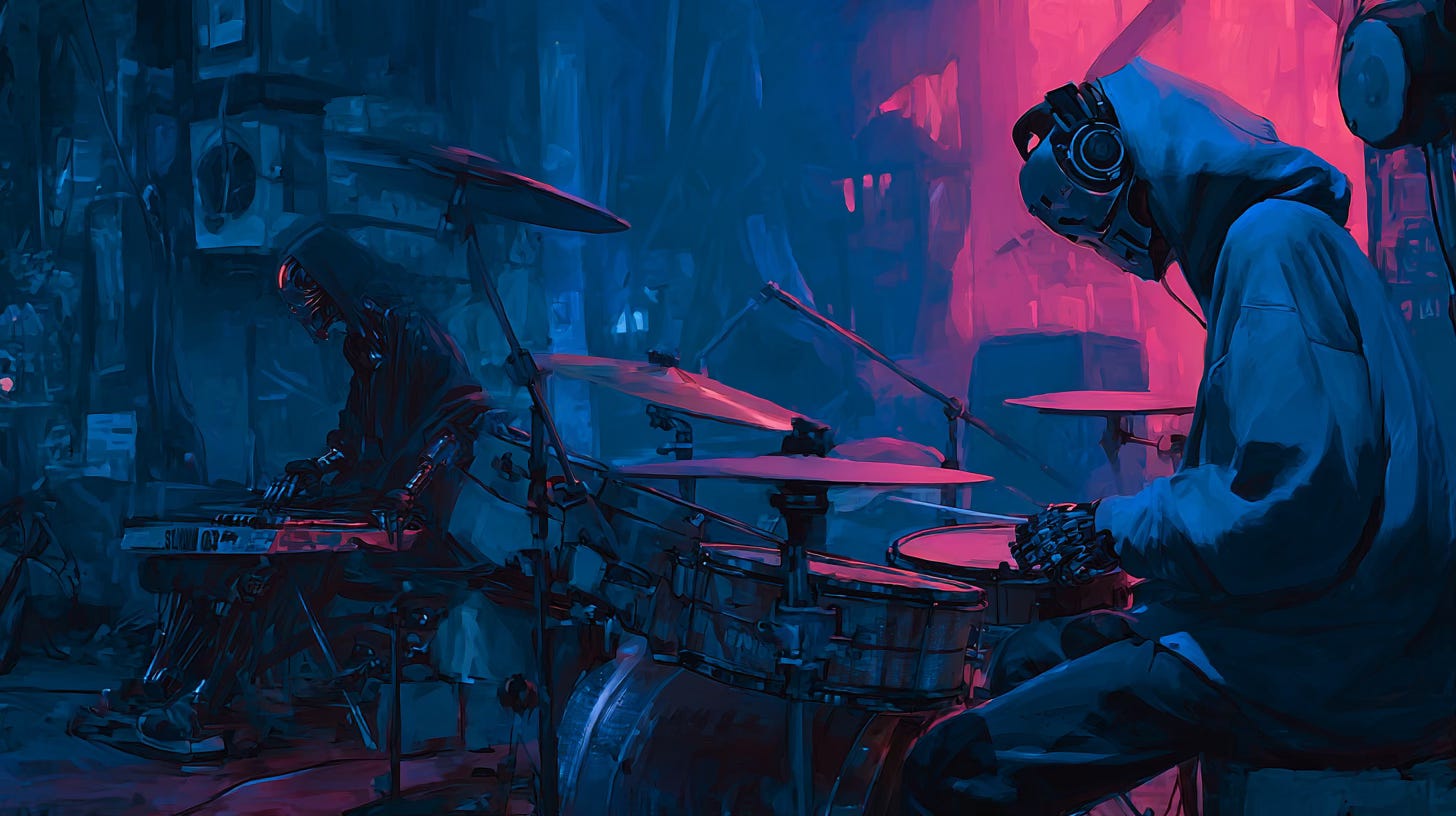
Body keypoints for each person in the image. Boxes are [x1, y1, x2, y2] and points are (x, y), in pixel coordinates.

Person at [900, 58, 1456, 815]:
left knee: (952, 764)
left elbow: (1287, 509)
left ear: (1118, 157)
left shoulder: (1271, 248)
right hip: (1332, 636)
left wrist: (1109, 527)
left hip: (1331, 666)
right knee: (1027, 658)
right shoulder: (1287, 244)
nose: (1114, 251)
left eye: (1096, 224)